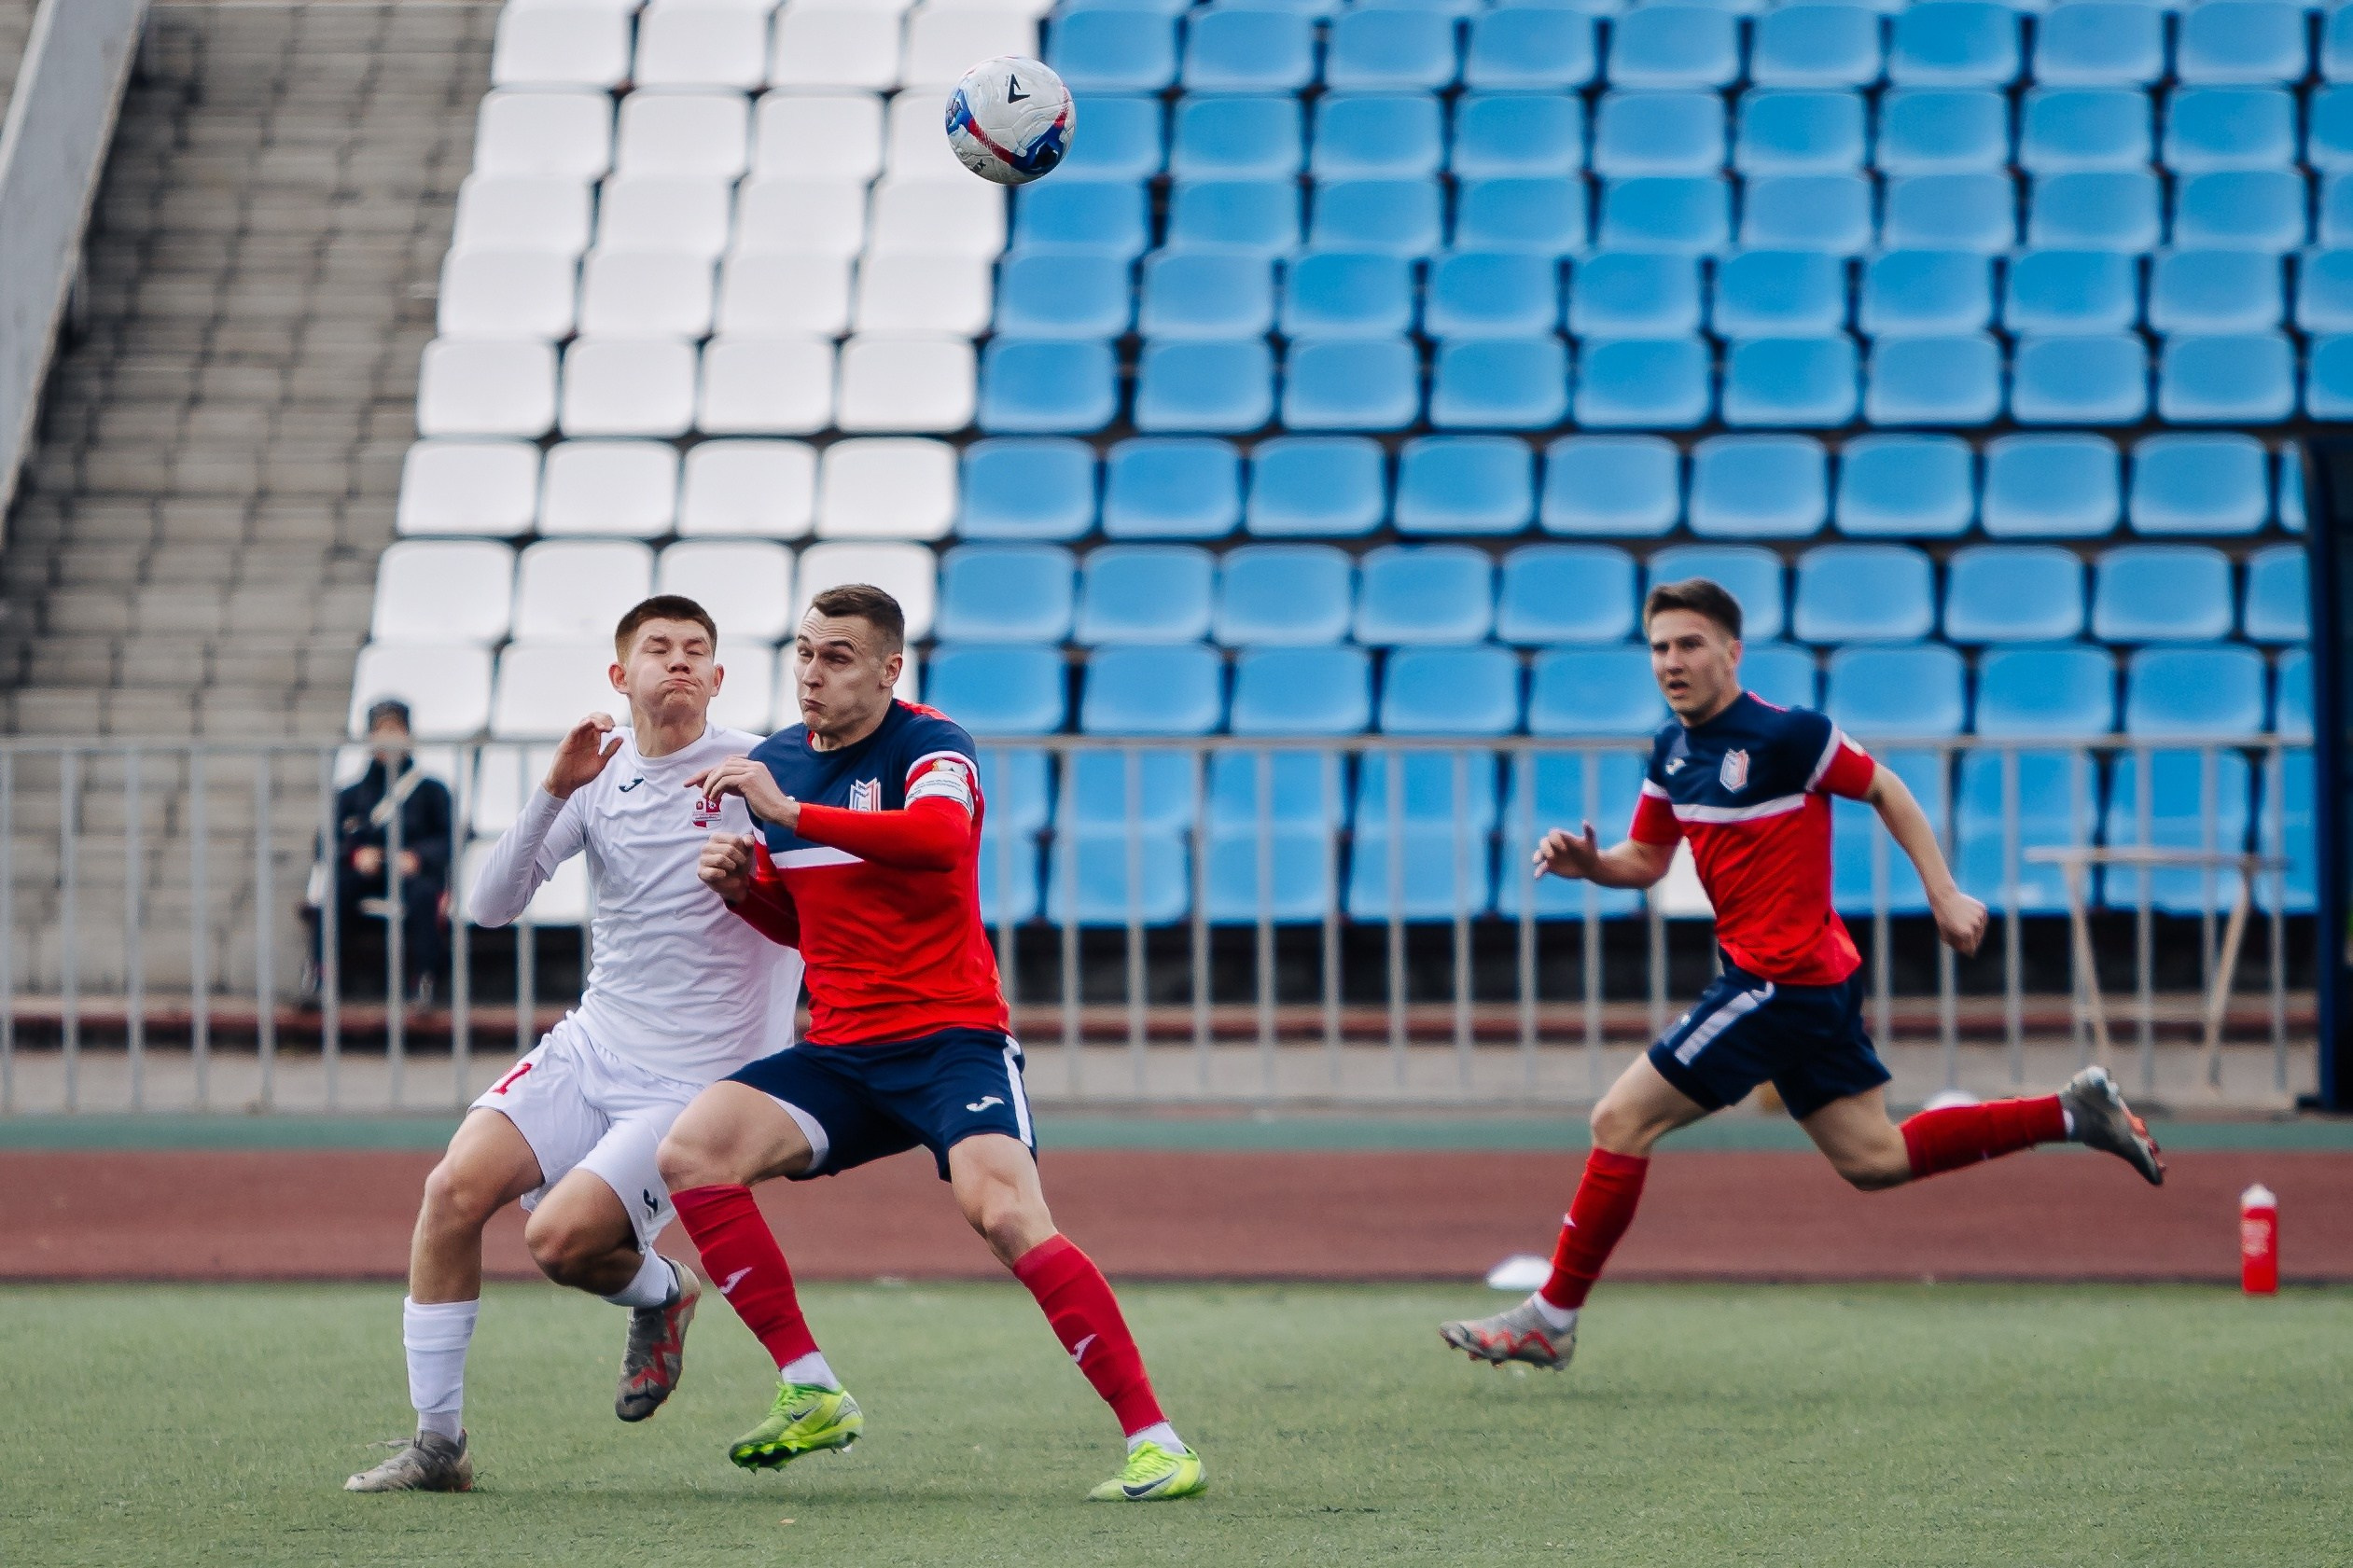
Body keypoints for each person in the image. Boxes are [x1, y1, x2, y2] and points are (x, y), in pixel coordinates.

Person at [1440, 577, 2165, 1372]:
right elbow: (1646, 859)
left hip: (1778, 982)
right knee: (1875, 1159)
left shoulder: (1788, 736)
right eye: (1659, 647)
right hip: (1804, 982)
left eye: (1689, 644)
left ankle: (1551, 1316)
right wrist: (1593, 865)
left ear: (1731, 651)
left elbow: (1884, 786)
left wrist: (1944, 890)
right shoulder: (1671, 751)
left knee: (1619, 1120)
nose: (1671, 662)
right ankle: (2071, 1114)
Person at [656, 582, 1206, 1504]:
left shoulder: (930, 744)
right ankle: (809, 1385)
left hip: (952, 1040)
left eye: (836, 657)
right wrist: (745, 889)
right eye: (802, 652)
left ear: (887, 668)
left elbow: (940, 842)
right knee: (694, 1150)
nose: (812, 674)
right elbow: (812, 925)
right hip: (841, 1052)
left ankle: (1157, 1442)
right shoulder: (780, 760)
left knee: (1004, 1214)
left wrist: (788, 814)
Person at [345, 596, 802, 1493]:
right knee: (450, 1192)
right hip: (594, 1045)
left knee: (559, 1245)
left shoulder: (762, 769)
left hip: (698, 1082)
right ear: (619, 674)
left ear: (718, 677)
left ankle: (662, 1291)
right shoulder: (594, 772)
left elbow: (823, 902)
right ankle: (439, 1446)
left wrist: (764, 883)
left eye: (697, 650)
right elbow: (487, 906)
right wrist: (554, 787)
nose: (679, 662)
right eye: (659, 648)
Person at [309, 698, 453, 1002]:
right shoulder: (350, 794)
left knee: (425, 895)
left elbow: (449, 838)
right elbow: (324, 843)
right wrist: (354, 856)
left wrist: (418, 857)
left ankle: (424, 980)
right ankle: (320, 975)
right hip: (366, 871)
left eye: (395, 729)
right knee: (337, 889)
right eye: (381, 730)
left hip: (412, 873)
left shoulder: (431, 791)